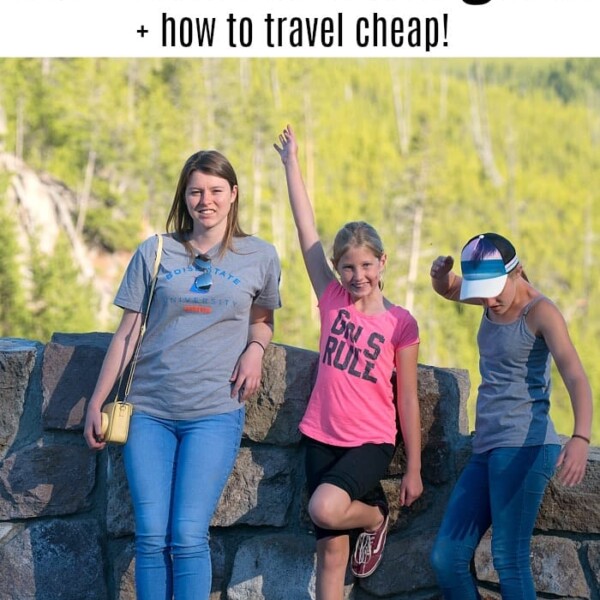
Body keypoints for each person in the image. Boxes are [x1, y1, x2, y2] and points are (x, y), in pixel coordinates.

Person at [84, 149, 281, 600]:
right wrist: (96, 403)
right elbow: (126, 335)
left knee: (188, 536)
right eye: (196, 191)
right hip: (148, 412)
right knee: (151, 538)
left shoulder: (260, 256)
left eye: (215, 191)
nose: (205, 200)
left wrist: (255, 348)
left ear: (233, 195)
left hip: (214, 412)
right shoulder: (155, 251)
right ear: (184, 196)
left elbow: (263, 319)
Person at [274, 124, 423, 599]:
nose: (357, 276)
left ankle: (375, 516)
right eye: (348, 267)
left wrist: (414, 467)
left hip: (370, 441)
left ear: (383, 263)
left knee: (323, 508)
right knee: (331, 555)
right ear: (338, 270)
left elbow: (409, 399)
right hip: (321, 434)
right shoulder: (331, 298)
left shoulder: (401, 323)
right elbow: (307, 231)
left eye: (366, 265)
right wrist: (291, 162)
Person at [429, 232, 593, 600]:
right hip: (487, 446)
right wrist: (440, 275)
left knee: (508, 557)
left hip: (525, 445)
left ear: (516, 272)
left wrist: (581, 438)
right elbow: (451, 288)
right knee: (446, 558)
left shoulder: (541, 313)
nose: (488, 299)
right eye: (482, 290)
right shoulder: (490, 296)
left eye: (494, 288)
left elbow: (576, 376)